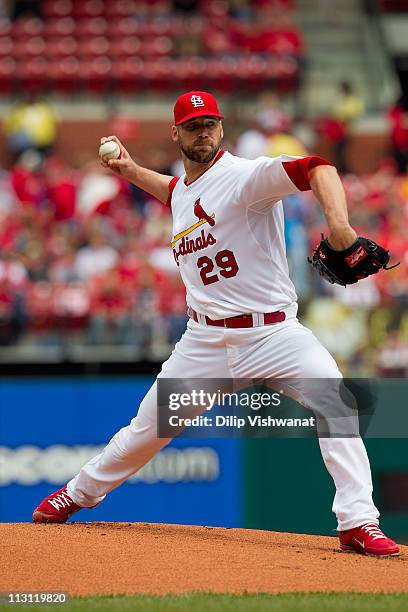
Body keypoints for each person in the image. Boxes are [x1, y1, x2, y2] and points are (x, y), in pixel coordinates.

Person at [32, 91, 399, 557]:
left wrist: (340, 227)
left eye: (210, 123)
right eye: (192, 125)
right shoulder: (185, 191)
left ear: (221, 128)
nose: (202, 131)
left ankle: (357, 522)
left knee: (338, 403)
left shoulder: (246, 177)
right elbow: (176, 191)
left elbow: (318, 166)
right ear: (176, 133)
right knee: (146, 431)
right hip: (204, 341)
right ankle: (79, 493)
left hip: (274, 334)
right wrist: (130, 172)